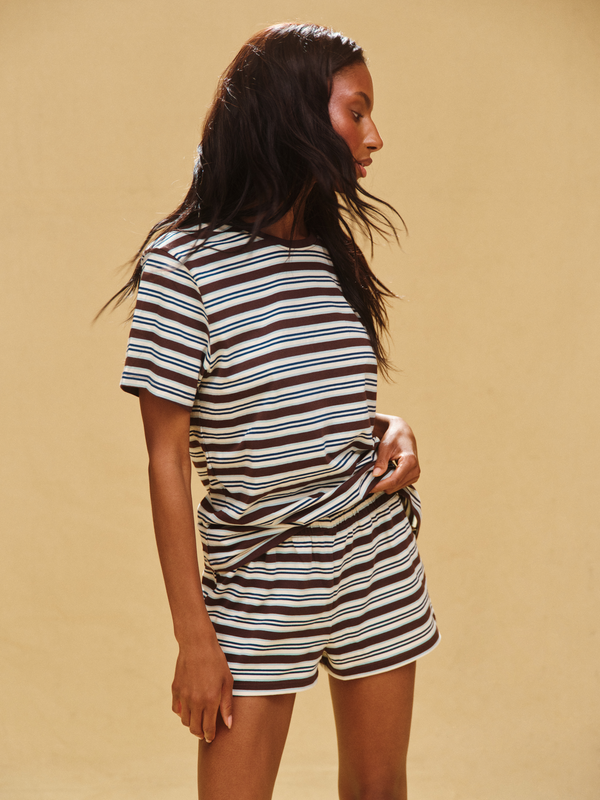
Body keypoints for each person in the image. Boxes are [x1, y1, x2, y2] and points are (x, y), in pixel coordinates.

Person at [114, 22, 439, 800]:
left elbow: (306, 392)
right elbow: (166, 457)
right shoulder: (183, 261)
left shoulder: (329, 251)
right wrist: (193, 635)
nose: (375, 136)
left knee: (380, 789)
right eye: (356, 111)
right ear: (295, 111)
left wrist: (386, 428)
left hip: (372, 552)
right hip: (259, 572)